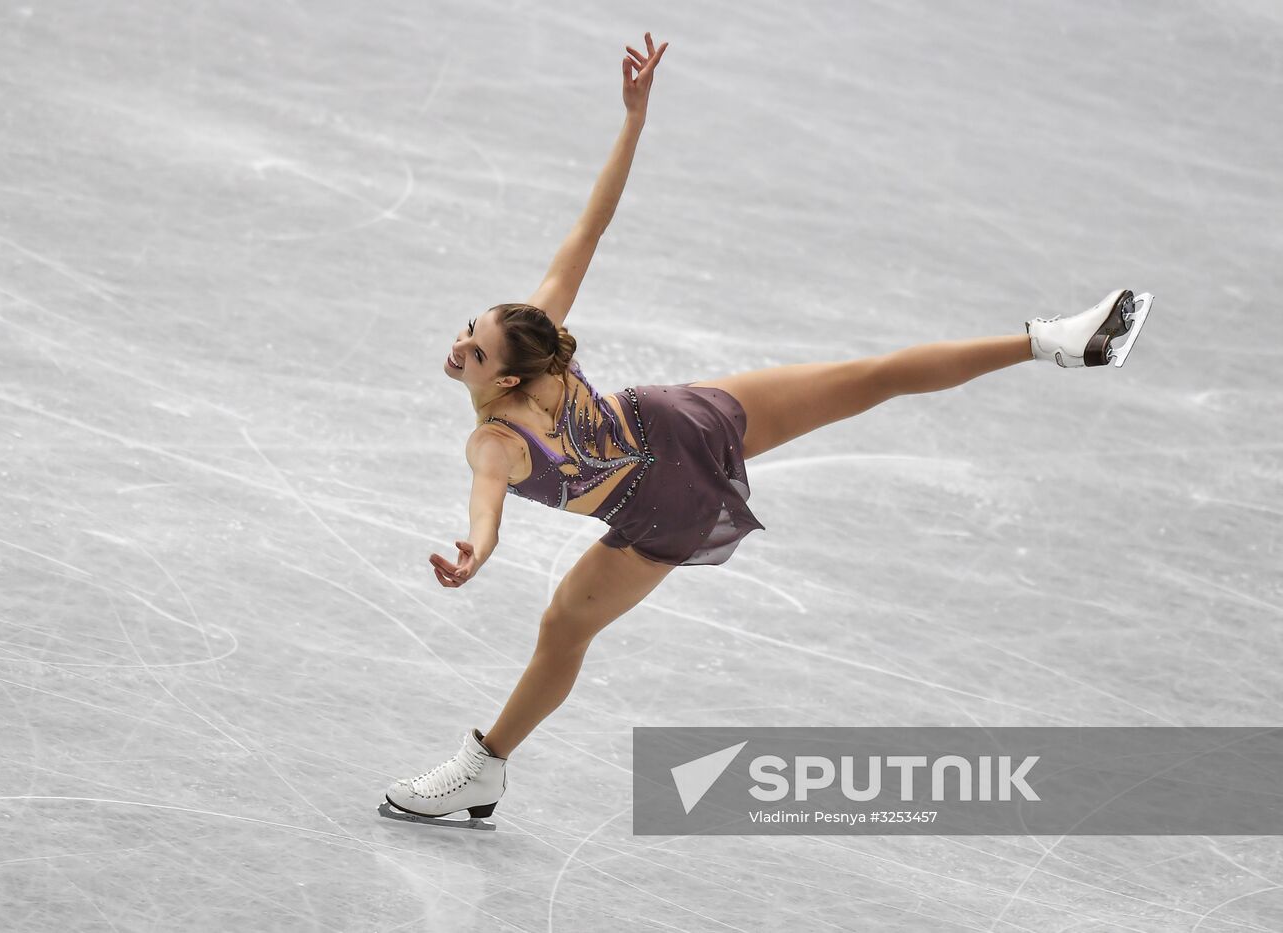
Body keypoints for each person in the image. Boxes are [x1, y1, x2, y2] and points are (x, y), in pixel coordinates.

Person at [380, 32, 1151, 828]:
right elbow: (589, 230)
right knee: (870, 377)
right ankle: (1053, 341)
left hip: (661, 508)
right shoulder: (535, 343)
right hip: (681, 419)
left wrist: (478, 550)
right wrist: (634, 120)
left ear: (508, 377)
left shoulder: (495, 440)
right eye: (467, 338)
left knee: (562, 631)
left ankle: (484, 767)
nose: (459, 347)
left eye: (473, 346)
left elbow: (487, 498)